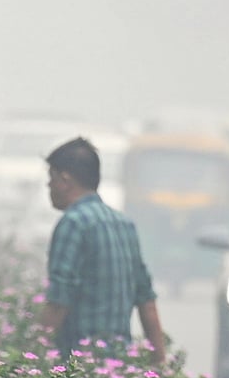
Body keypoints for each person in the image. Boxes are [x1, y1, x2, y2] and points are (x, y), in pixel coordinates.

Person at [40, 138, 166, 363]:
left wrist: (35, 355)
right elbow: (147, 301)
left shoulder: (73, 224)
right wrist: (160, 365)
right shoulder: (124, 224)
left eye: (51, 178)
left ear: (65, 180)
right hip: (117, 367)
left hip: (79, 365)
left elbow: (59, 301)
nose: (48, 186)